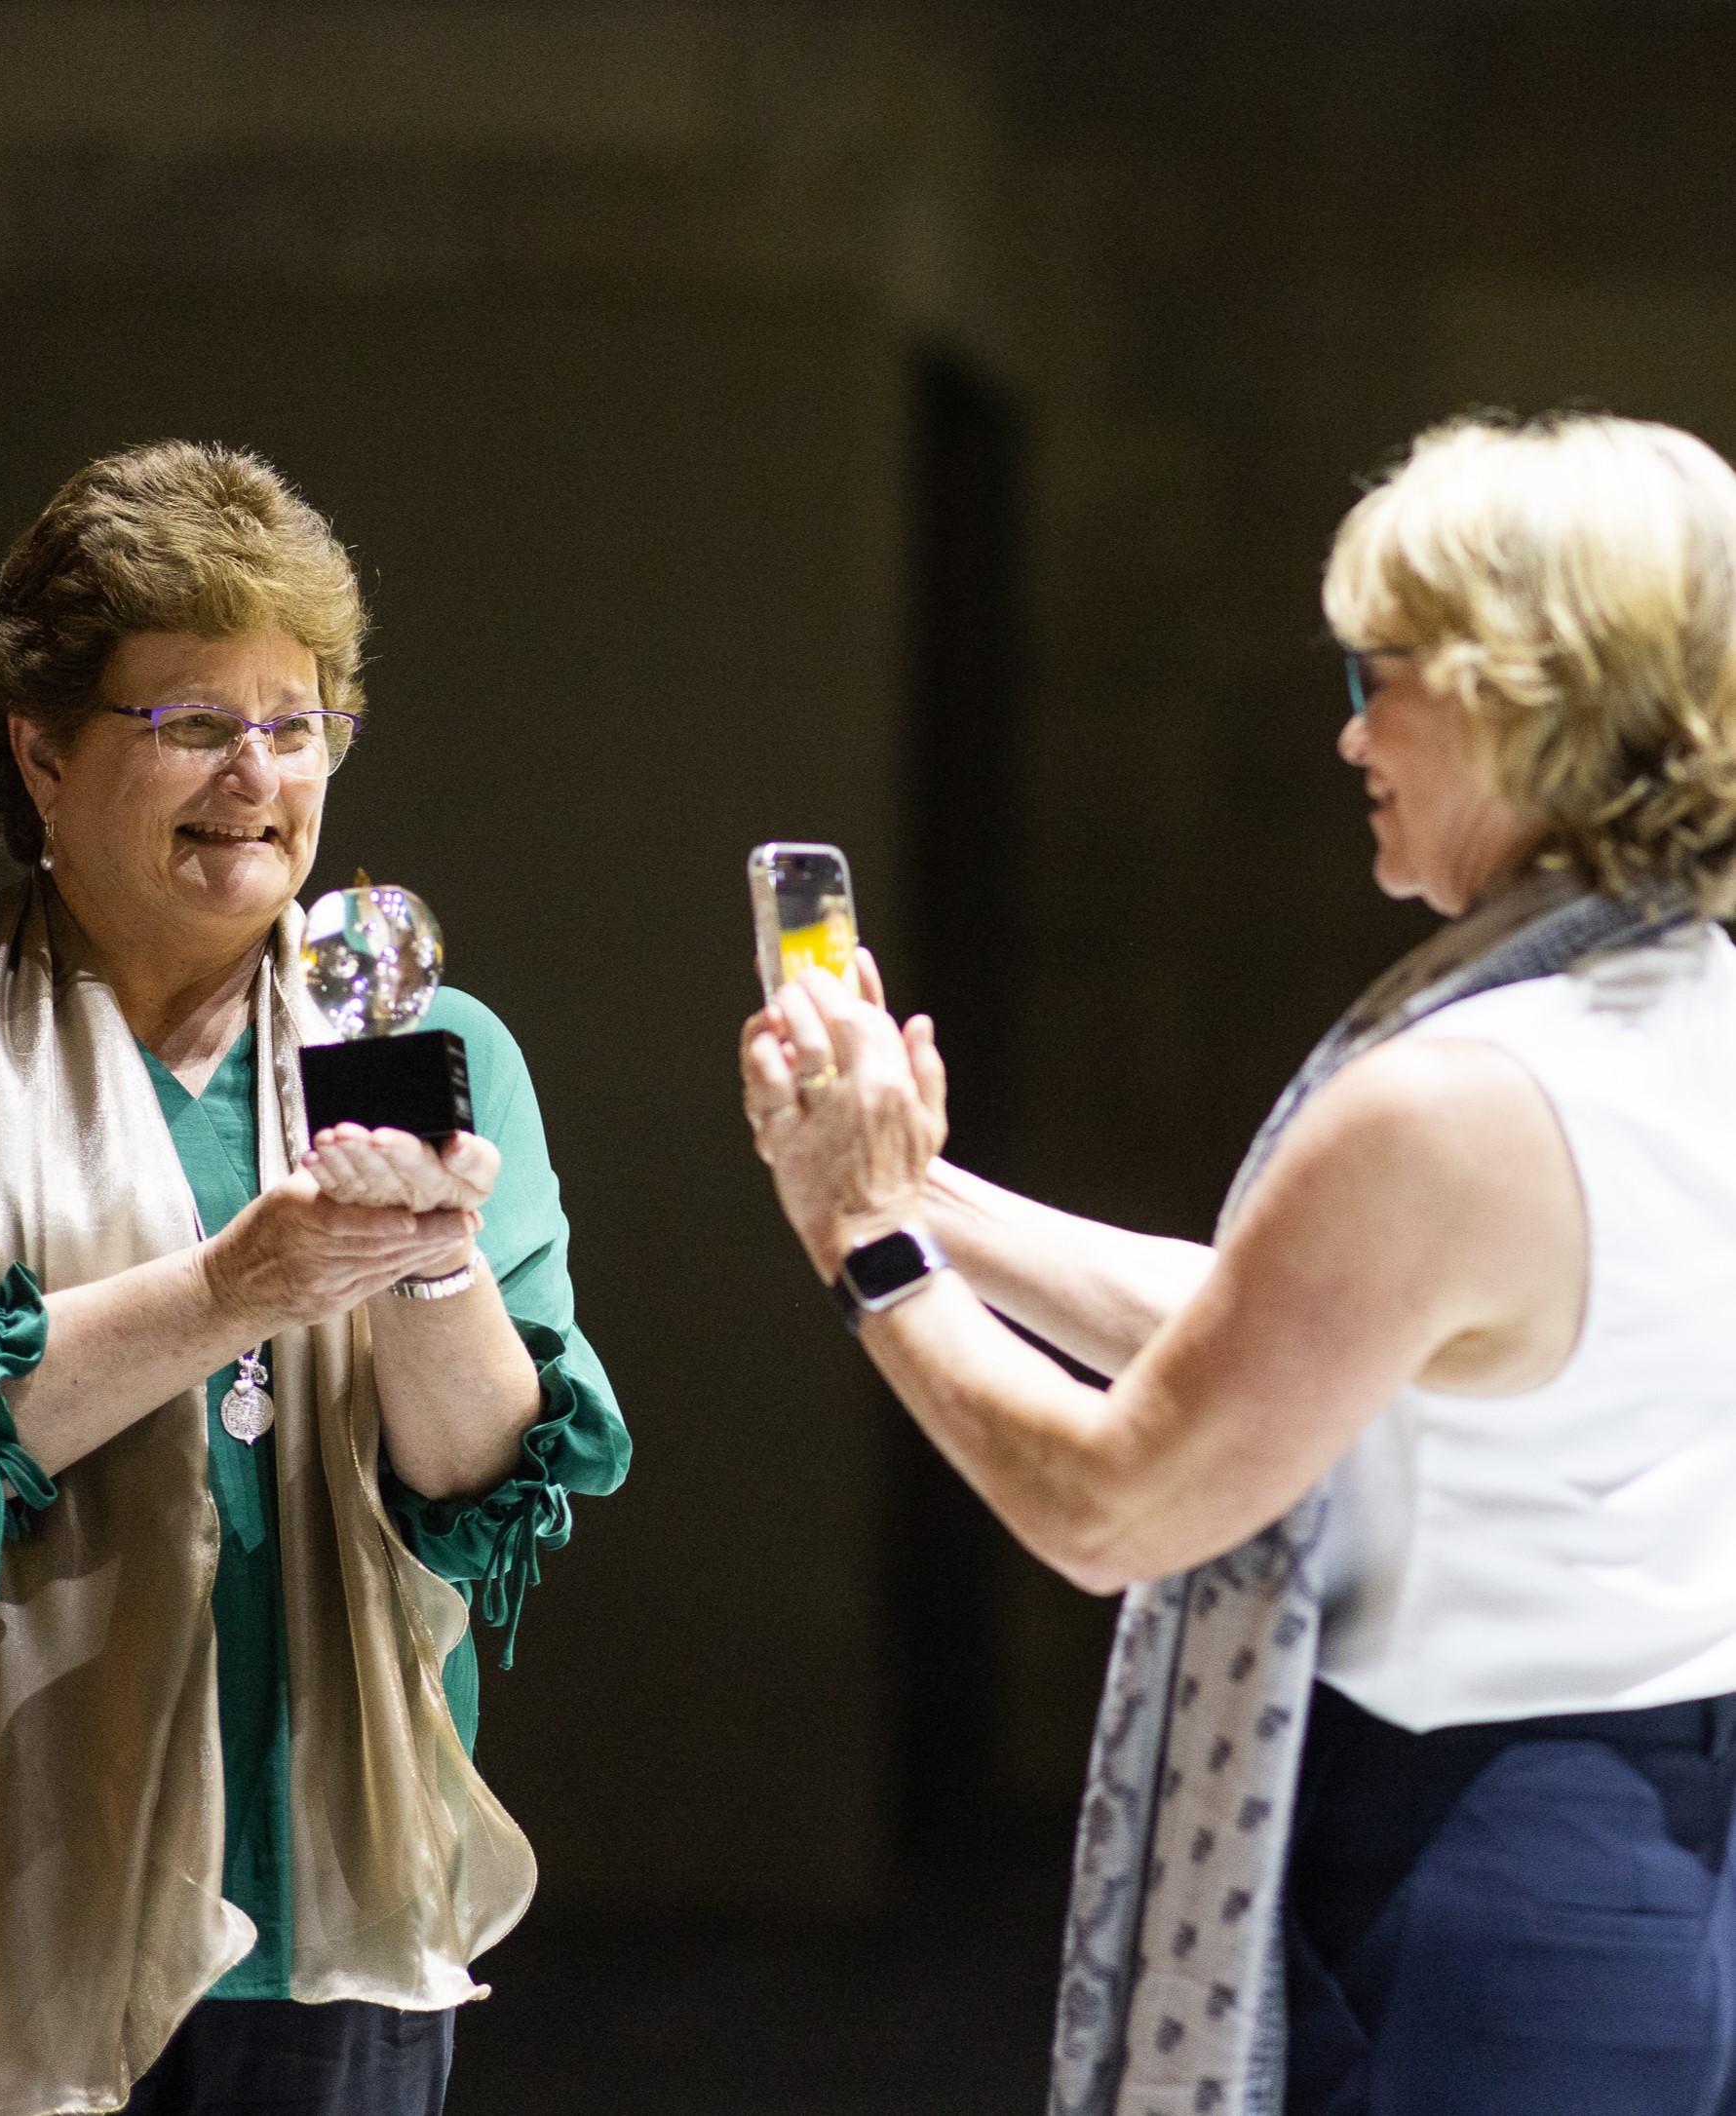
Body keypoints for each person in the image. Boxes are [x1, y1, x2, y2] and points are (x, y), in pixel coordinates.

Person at [741, 412, 1736, 2114]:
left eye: (1381, 667)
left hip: (1454, 1895)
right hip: (1652, 1859)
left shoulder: (1450, 1101)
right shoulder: (1680, 1002)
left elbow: (1117, 1502)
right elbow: (1295, 1342)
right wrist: (932, 1190)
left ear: (1524, 685)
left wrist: (862, 1239)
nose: (1351, 729)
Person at [0, 441, 629, 2116]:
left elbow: (486, 1485)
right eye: (193, 724)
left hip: (320, 1923)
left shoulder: (423, 1039)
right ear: (39, 755)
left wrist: (426, 1262)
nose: (257, 776)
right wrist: (236, 1289)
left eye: (298, 723)